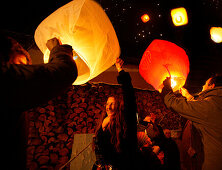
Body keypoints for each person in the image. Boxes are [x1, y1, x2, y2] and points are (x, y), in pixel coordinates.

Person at [0, 34, 78, 170]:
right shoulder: (3, 79)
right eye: (22, 67)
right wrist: (58, 50)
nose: (27, 73)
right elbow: (63, 71)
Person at [161, 74, 222, 170]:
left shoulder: (210, 107)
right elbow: (204, 110)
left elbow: (171, 102)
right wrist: (187, 96)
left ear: (212, 86)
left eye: (205, 84)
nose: (202, 86)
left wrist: (167, 87)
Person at [93, 58, 138, 169]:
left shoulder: (125, 120)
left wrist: (120, 70)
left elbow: (129, 95)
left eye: (112, 104)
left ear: (119, 106)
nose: (108, 107)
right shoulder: (103, 122)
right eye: (107, 104)